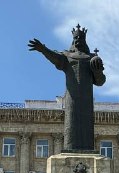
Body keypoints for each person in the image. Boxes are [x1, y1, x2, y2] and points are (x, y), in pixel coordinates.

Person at [28, 25, 105, 153]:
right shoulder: (67, 56)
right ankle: (70, 149)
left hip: (86, 101)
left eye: (81, 38)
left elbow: (100, 81)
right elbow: (55, 58)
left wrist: (97, 72)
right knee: (71, 125)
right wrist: (43, 49)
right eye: (76, 38)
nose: (78, 40)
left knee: (86, 127)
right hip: (72, 100)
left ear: (85, 40)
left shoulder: (92, 57)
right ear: (73, 40)